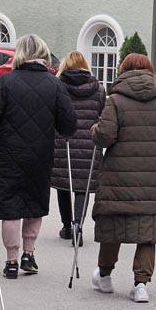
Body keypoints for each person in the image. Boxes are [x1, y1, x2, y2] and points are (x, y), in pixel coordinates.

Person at [90, 54, 156, 303]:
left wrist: (94, 130)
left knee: (114, 225)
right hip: (154, 179)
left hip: (118, 178)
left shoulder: (116, 101)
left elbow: (105, 136)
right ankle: (141, 284)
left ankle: (105, 275)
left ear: (123, 70)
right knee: (148, 230)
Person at [0, 34, 76, 279]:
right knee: (34, 203)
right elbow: (68, 125)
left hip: (8, 154)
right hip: (41, 154)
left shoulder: (6, 83)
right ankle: (29, 253)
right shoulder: (55, 85)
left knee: (10, 208)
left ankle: (11, 260)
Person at [50, 51, 106, 241]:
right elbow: (102, 115)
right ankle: (78, 226)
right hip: (89, 143)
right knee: (82, 186)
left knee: (63, 184)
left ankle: (66, 227)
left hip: (63, 141)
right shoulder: (98, 88)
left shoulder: (57, 86)